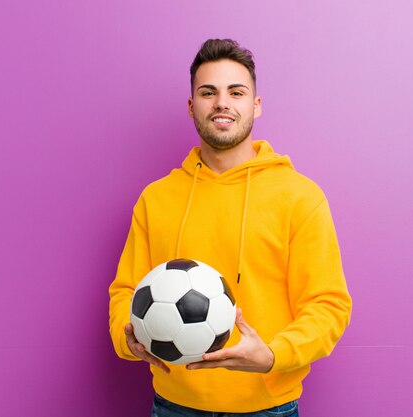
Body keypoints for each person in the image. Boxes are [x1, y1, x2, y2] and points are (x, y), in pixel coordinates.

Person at [109, 38, 352, 416]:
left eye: (236, 92)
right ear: (192, 106)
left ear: (255, 105)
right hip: (175, 406)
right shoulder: (156, 199)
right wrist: (130, 338)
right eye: (209, 92)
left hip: (268, 407)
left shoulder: (300, 196)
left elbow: (328, 304)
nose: (222, 102)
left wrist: (273, 355)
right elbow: (125, 290)